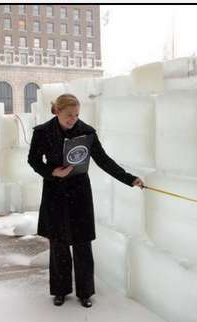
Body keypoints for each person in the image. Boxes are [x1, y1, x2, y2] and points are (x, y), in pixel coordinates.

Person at [28, 93, 144, 308]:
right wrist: (53, 172)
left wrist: (130, 179)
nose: (73, 119)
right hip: (55, 192)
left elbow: (104, 161)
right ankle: (61, 291)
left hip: (79, 193)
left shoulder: (87, 132)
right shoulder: (42, 132)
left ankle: (85, 292)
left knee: (82, 244)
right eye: (69, 115)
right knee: (59, 245)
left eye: (77, 114)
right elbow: (33, 161)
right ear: (57, 112)